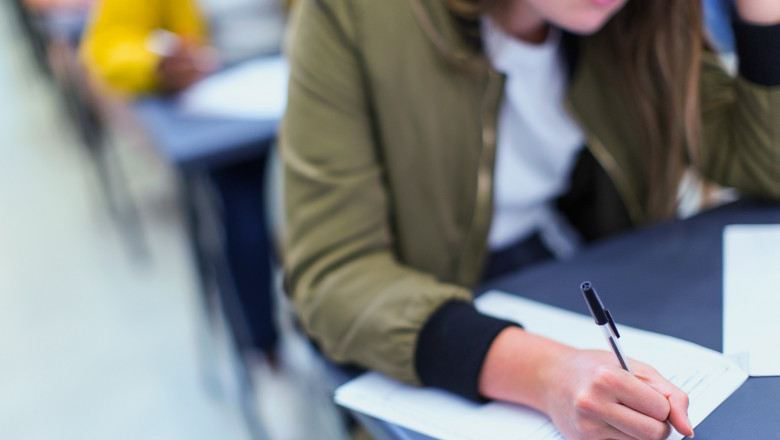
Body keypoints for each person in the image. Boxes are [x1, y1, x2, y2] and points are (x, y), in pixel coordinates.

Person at [281, 0, 780, 439]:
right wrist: (545, 374)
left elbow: (766, 165)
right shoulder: (353, 11)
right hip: (420, 313)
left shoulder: (643, 16)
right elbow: (334, 276)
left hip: (569, 278)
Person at [80, 0, 286, 361]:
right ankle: (263, 349)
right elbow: (107, 46)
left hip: (304, 69)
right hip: (217, 95)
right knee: (243, 220)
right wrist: (154, 61)